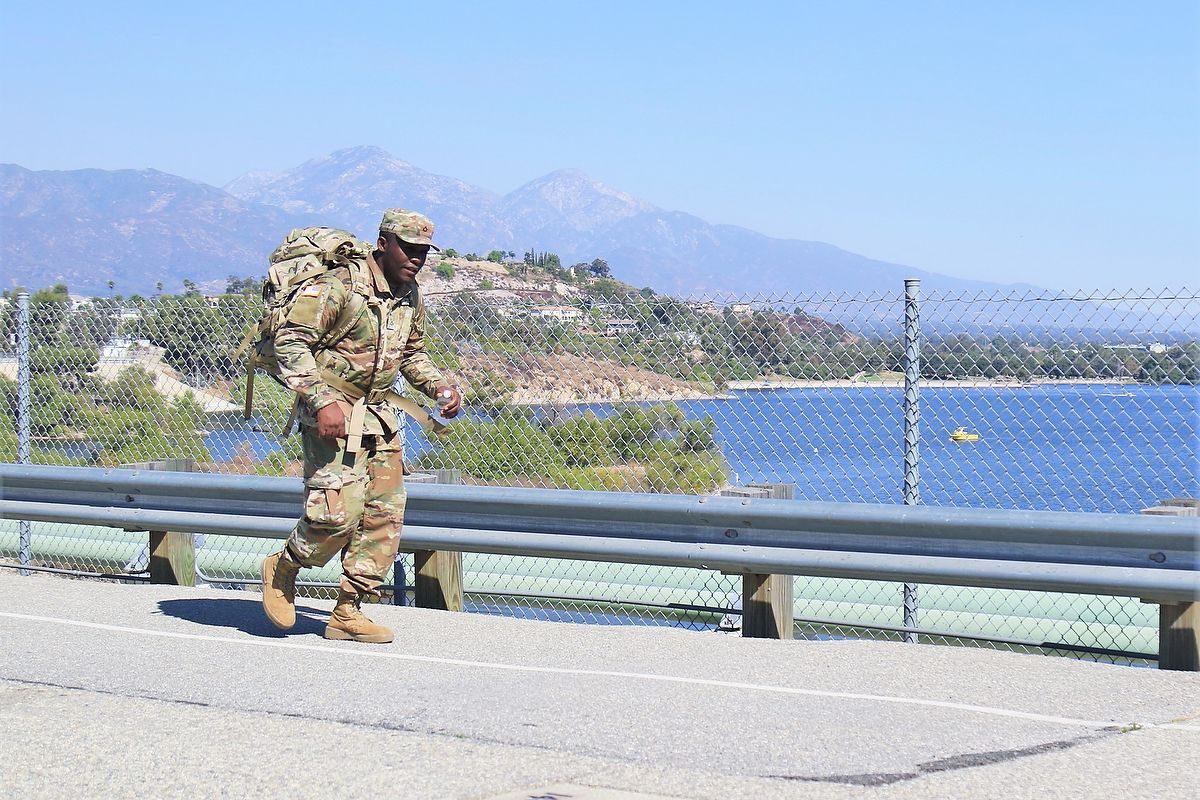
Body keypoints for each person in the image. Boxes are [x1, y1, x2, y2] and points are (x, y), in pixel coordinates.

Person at [260, 208, 461, 643]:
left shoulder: (409, 295)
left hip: (379, 417)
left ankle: (348, 611)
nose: (416, 259)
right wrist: (321, 400)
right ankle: (284, 566)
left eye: (424, 252)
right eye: (409, 248)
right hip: (332, 416)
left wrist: (439, 386)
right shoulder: (340, 285)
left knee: (383, 516)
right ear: (384, 243)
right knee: (337, 515)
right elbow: (291, 341)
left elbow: (412, 353)